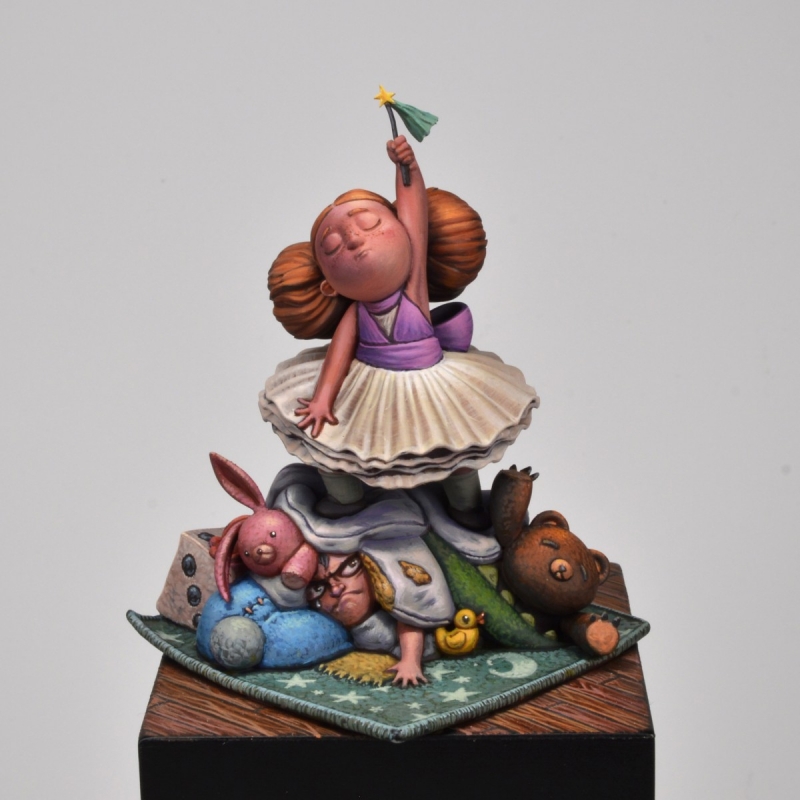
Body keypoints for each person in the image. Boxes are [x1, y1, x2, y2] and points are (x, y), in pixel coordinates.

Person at [260, 136, 539, 529]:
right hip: (369, 384)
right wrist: (322, 399)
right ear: (329, 286)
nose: (353, 239)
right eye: (334, 245)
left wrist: (406, 167)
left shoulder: (413, 286)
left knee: (455, 446)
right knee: (335, 448)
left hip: (430, 383)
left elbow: (413, 207)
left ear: (408, 237)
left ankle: (465, 507)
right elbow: (338, 356)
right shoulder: (355, 313)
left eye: (369, 223)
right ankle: (347, 500)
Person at [306, 551, 440, 687]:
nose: (336, 589)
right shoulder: (329, 627)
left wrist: (410, 662)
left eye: (349, 567)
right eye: (318, 588)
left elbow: (408, 621)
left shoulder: (393, 605)